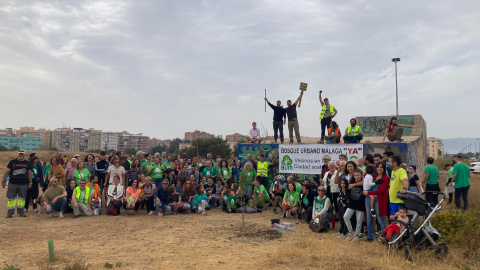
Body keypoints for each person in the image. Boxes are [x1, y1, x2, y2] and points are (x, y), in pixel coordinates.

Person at [363, 162, 390, 242]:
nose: (379, 168)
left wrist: (368, 193)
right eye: (378, 167)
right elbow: (366, 185)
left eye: (381, 167)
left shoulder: (386, 178)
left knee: (380, 217)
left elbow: (381, 190)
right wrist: (364, 192)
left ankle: (385, 237)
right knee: (369, 218)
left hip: (379, 199)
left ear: (384, 168)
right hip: (369, 198)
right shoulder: (373, 176)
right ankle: (370, 237)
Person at [2, 149, 32, 218]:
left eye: (22, 153)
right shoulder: (12, 162)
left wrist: (30, 183)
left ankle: (21, 212)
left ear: (25, 154)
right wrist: (3, 181)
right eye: (20, 153)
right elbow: (7, 172)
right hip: (13, 183)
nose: (21, 154)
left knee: (22, 198)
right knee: (11, 199)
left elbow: (29, 173)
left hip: (23, 184)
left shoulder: (27, 163)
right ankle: (10, 213)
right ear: (18, 154)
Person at [343, 169, 365, 241]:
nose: (357, 177)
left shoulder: (364, 184)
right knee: (346, 216)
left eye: (358, 175)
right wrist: (352, 198)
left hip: (360, 205)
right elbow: (347, 193)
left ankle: (357, 234)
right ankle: (351, 232)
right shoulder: (351, 184)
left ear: (361, 175)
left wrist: (359, 199)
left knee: (359, 220)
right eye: (355, 175)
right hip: (352, 204)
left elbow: (365, 193)